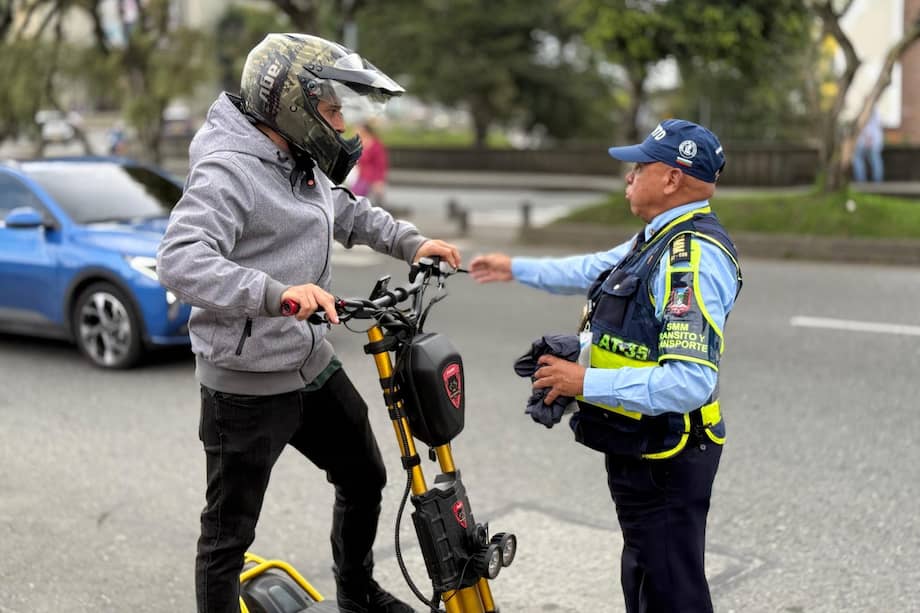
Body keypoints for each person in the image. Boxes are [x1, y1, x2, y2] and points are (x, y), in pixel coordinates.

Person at [156, 33, 461, 613]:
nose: (340, 122)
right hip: (245, 384)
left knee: (365, 475)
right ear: (292, 104)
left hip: (309, 362)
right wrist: (277, 295)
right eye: (330, 108)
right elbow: (180, 260)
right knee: (227, 535)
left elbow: (344, 209)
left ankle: (356, 592)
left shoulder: (299, 160)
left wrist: (411, 242)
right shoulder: (229, 170)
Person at [469, 119, 742, 613]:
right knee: (646, 577)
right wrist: (515, 268)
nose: (629, 176)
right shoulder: (658, 238)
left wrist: (584, 381)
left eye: (640, 166)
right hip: (643, 444)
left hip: (668, 454)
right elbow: (592, 267)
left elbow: (690, 382)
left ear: (673, 178)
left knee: (671, 593)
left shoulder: (690, 257)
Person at [352, 122, 390, 206]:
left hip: (371, 177)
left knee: (358, 199)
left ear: (365, 131)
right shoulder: (359, 143)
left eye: (358, 130)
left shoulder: (376, 145)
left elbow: (381, 164)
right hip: (360, 176)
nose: (355, 132)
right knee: (355, 199)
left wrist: (379, 180)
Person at [852, 106, 884, 183]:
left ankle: (861, 179)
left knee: (858, 158)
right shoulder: (877, 111)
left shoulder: (868, 110)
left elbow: (865, 125)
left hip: (866, 140)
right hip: (875, 141)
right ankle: (877, 180)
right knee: (875, 160)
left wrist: (868, 138)